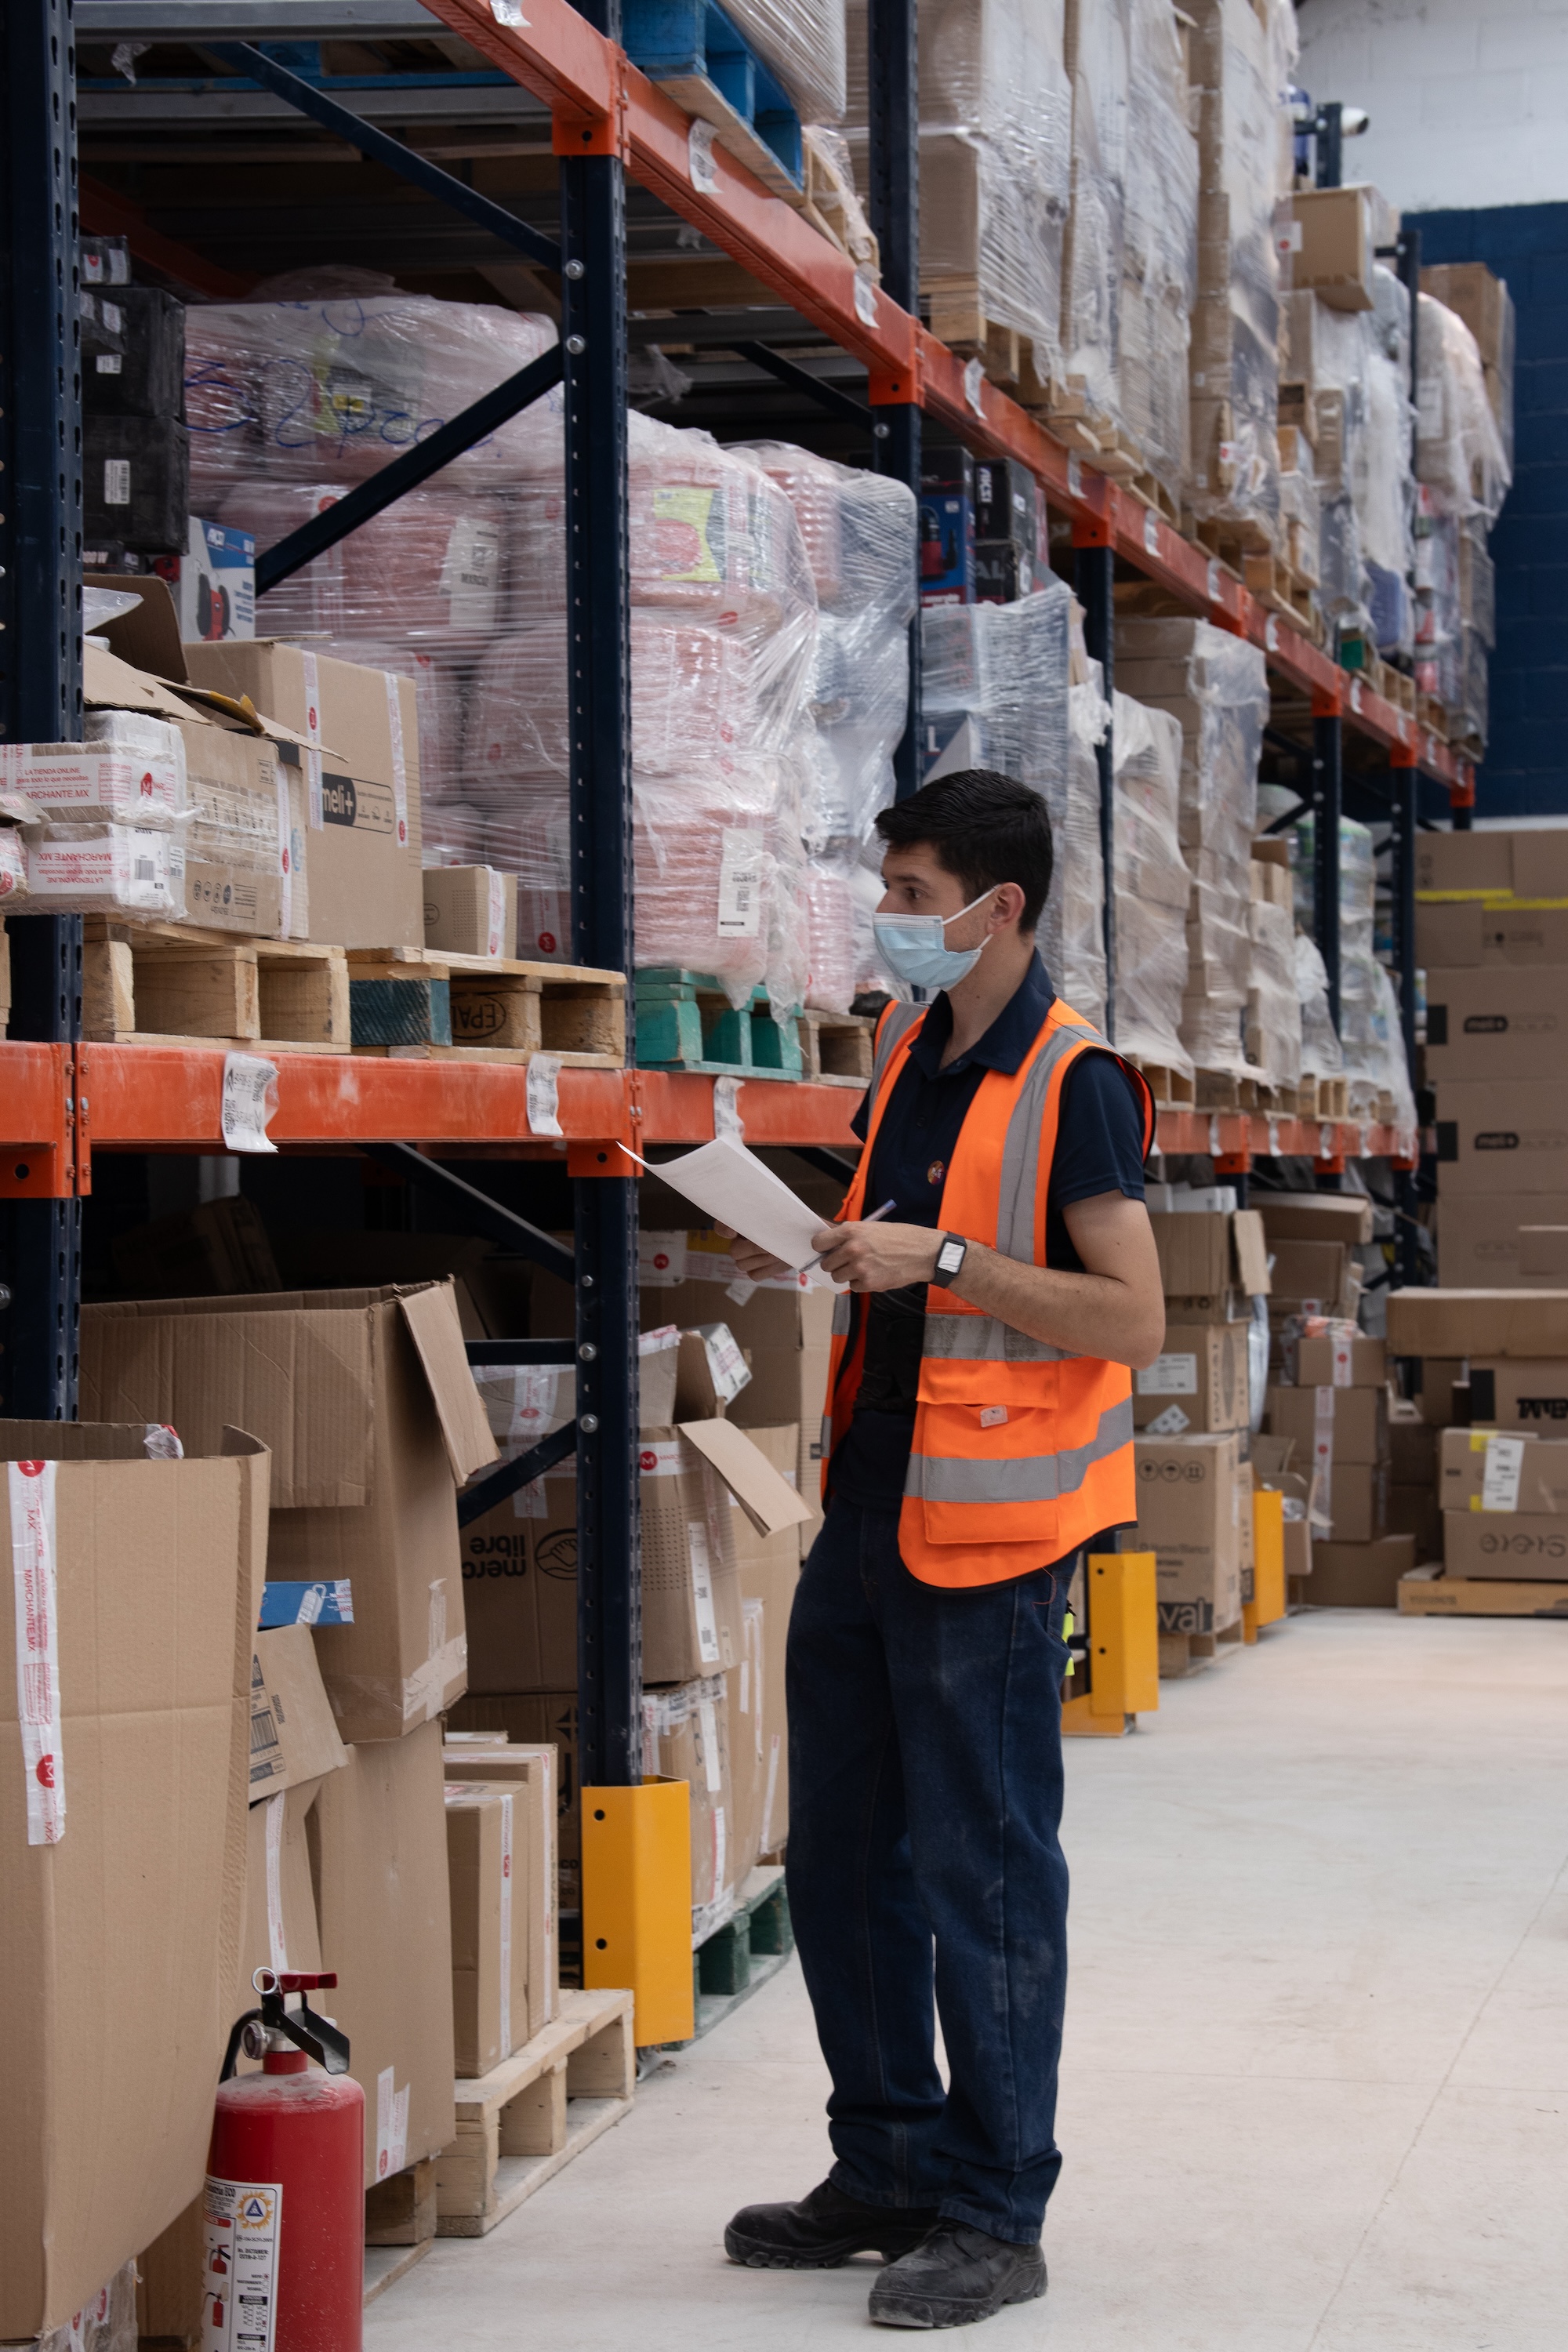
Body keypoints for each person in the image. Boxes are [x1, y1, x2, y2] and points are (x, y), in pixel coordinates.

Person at [721, 769, 1166, 2330]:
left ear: (1000, 910)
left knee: (981, 1873)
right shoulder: (911, 1050)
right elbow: (900, 1243)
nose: (888, 922)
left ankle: (994, 2207)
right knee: (843, 1858)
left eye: (910, 896)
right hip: (867, 1503)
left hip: (987, 1538)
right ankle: (888, 2162)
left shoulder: (1075, 1080)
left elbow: (1132, 1316)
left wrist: (954, 1259)